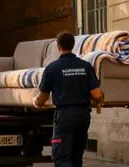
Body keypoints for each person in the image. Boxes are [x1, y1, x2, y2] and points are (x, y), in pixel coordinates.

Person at [33, 32, 105, 167]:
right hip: (83, 115)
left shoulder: (52, 68)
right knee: (76, 157)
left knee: (62, 158)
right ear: (73, 45)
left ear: (58, 46)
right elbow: (97, 95)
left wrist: (36, 102)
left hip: (65, 116)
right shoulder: (85, 66)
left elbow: (42, 97)